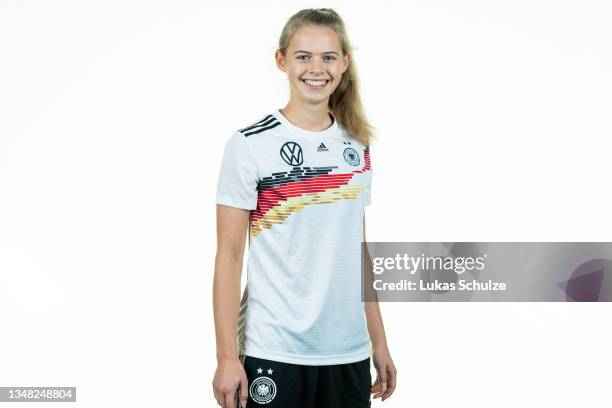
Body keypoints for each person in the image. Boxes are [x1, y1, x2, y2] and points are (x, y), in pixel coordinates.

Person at [212, 8, 396, 408]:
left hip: (347, 353)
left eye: (329, 57)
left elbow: (358, 254)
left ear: (345, 62)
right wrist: (227, 357)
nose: (317, 68)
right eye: (303, 56)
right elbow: (228, 257)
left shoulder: (357, 146)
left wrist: (378, 341)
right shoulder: (250, 144)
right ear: (282, 61)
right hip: (274, 350)